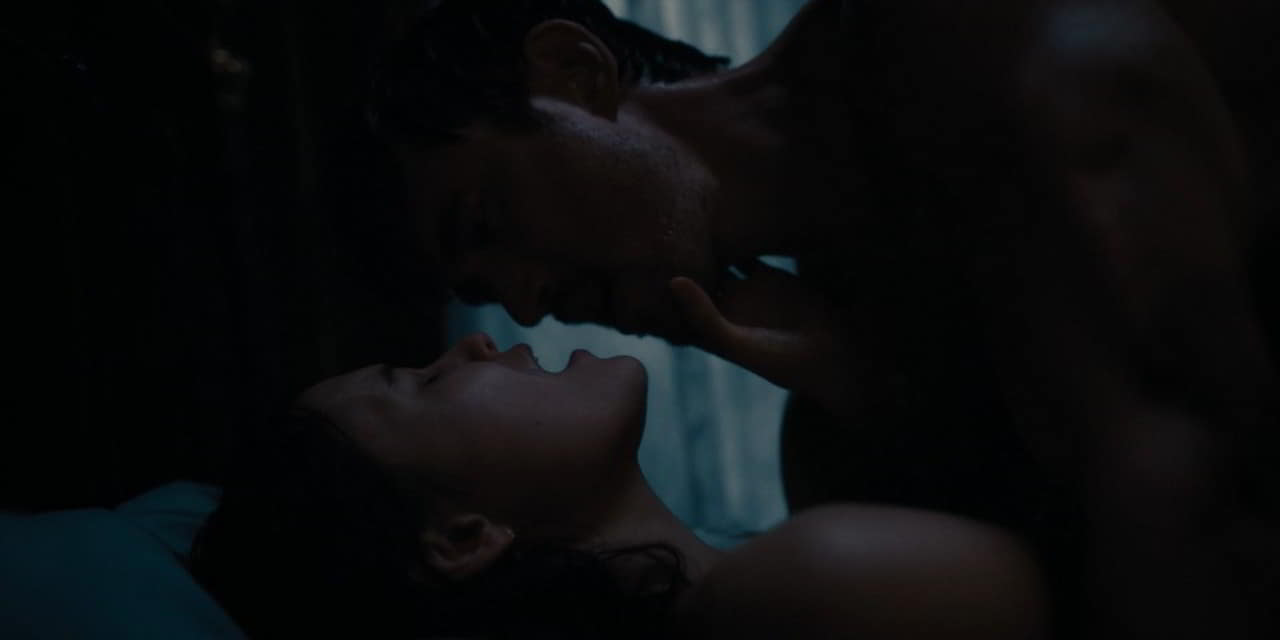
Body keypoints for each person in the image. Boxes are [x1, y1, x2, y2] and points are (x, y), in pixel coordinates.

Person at [368, 0, 1279, 637]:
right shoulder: (837, 425)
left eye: (487, 223)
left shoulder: (977, 49)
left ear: (574, 71)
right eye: (489, 287)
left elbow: (1204, 516)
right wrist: (873, 387)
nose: (529, 305)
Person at [192, 333, 1046, 639]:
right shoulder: (808, 583)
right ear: (463, 537)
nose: (475, 345)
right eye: (421, 381)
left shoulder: (789, 548)